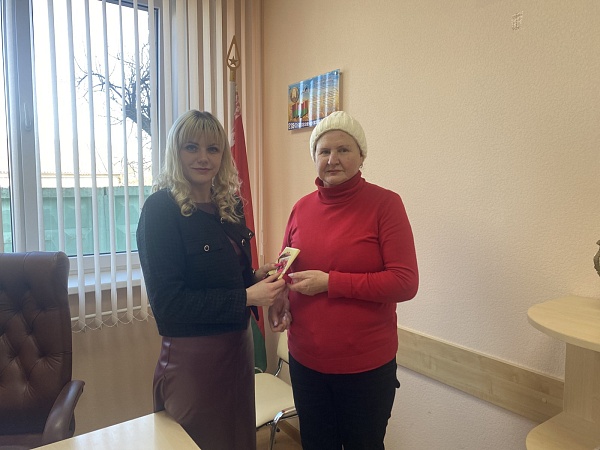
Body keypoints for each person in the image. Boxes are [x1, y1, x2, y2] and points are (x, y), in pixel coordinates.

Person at [269, 110, 419, 450]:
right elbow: (285, 267)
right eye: (324, 151)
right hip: (306, 363)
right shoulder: (301, 208)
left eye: (343, 150)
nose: (332, 159)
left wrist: (331, 283)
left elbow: (405, 282)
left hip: (364, 369)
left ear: (361, 156)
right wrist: (280, 300)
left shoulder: (385, 205)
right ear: (315, 158)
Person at [136, 110, 286, 449]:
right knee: (198, 442)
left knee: (238, 439)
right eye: (192, 147)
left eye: (213, 149)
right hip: (194, 361)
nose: (203, 158)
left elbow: (231, 279)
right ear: (176, 152)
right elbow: (169, 307)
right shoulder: (160, 210)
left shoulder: (229, 206)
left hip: (238, 350)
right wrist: (247, 297)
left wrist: (255, 278)